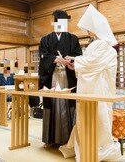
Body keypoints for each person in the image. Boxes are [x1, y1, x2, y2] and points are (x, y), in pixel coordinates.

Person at [59, 4, 122, 161]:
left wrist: (76, 61)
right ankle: (88, 146)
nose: (87, 32)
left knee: (99, 118)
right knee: (87, 118)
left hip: (98, 88)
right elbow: (88, 63)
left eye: (89, 29)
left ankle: (97, 149)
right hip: (90, 86)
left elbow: (91, 63)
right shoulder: (99, 43)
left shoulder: (103, 44)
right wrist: (75, 63)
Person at [38, 9, 82, 147]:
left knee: (68, 104)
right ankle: (50, 139)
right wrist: (55, 59)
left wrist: (71, 60)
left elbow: (78, 55)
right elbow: (43, 56)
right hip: (52, 75)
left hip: (67, 76)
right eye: (59, 22)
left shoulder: (73, 38)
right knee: (52, 103)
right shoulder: (45, 39)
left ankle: (69, 139)